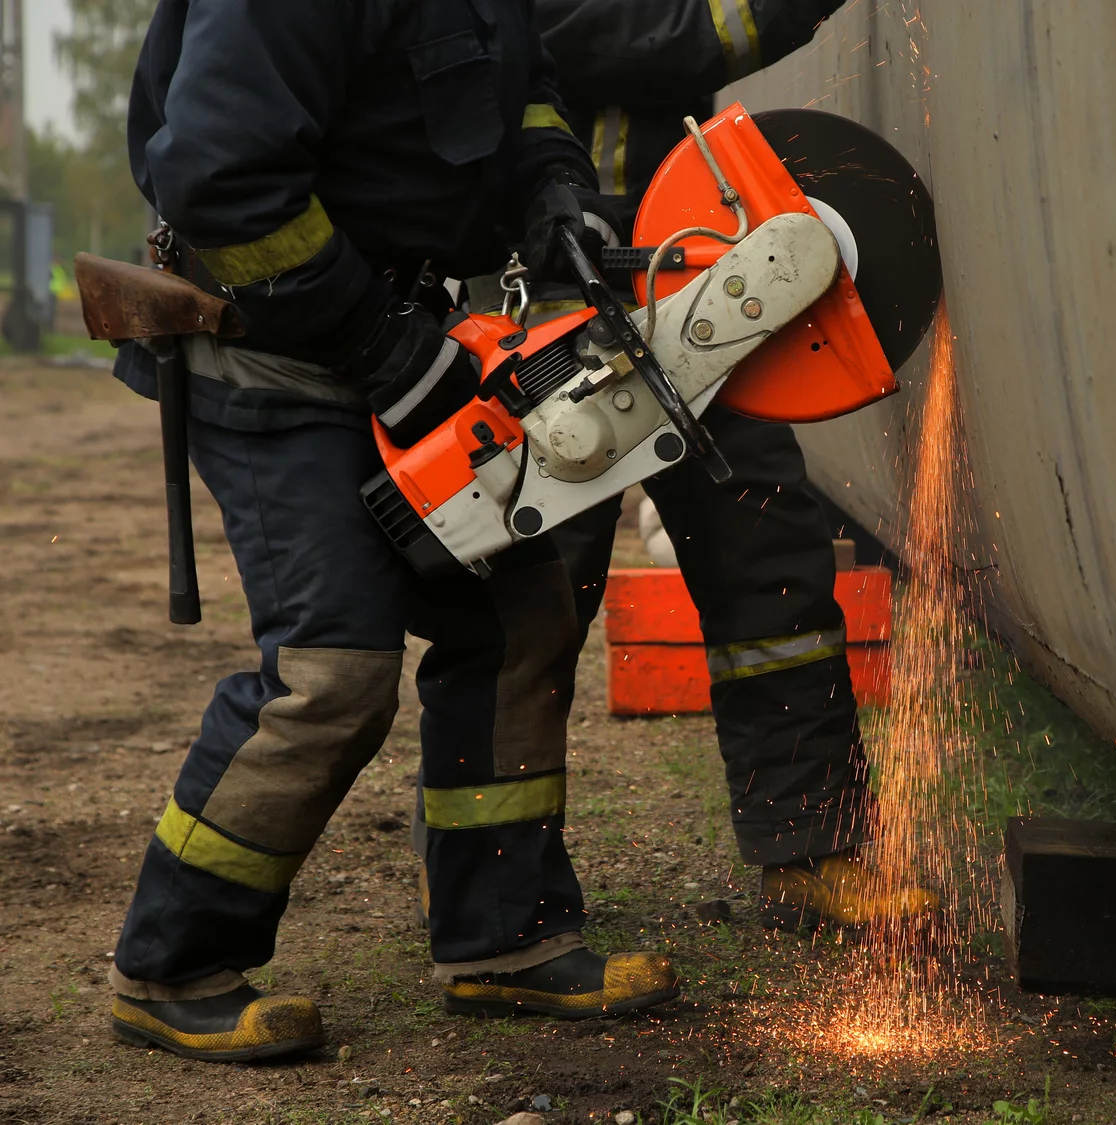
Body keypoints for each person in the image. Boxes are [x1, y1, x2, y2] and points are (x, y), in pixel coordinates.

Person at [107, 0, 677, 1063]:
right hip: (270, 346)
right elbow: (222, 183)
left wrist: (553, 192)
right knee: (333, 671)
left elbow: (527, 84)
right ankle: (170, 966)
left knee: (519, 621)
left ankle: (503, 940)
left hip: (401, 337)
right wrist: (388, 352)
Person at [521, 0, 939, 930]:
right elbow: (626, 35)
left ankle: (813, 853)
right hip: (548, 284)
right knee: (535, 594)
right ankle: (497, 884)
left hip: (687, 261)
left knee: (771, 564)